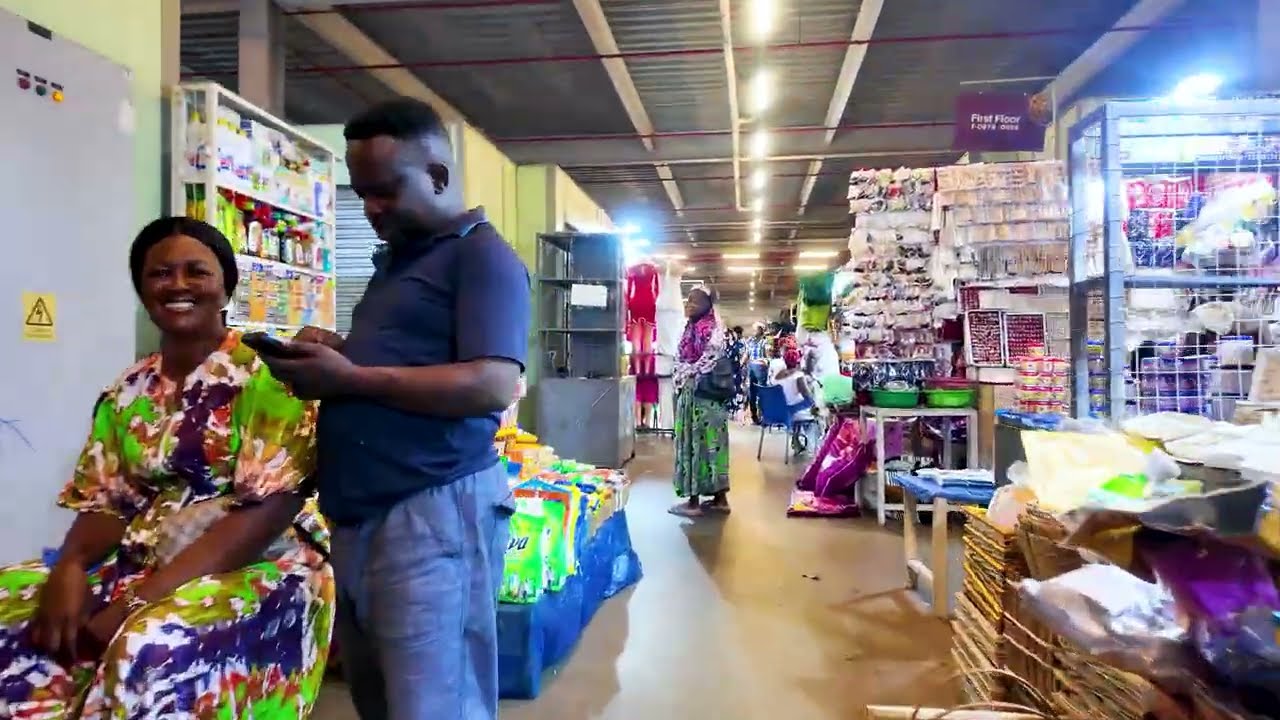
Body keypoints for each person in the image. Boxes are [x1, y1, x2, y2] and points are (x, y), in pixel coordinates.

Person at [259, 97, 530, 720]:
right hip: (365, 517)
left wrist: (351, 378)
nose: (371, 208)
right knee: (383, 700)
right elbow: (404, 365)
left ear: (437, 176)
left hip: (432, 510)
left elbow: (492, 383)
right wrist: (338, 354)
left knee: (434, 703)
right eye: (361, 194)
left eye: (384, 191)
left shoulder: (481, 257)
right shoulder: (399, 262)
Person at [0, 217, 333, 718]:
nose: (177, 284)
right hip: (145, 559)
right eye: (159, 274)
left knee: (147, 644)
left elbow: (266, 513)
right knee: (12, 604)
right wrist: (68, 568)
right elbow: (107, 501)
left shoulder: (269, 375)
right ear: (142, 289)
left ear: (225, 285)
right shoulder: (127, 391)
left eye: (195, 271)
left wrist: (135, 602)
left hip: (261, 562)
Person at [670, 286, 731, 518]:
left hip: (698, 398)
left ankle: (694, 502)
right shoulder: (700, 328)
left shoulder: (707, 330)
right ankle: (720, 498)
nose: (689, 304)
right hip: (713, 399)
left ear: (707, 305)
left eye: (695, 301)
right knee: (715, 445)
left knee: (693, 444)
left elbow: (703, 362)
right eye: (688, 299)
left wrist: (685, 372)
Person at [744, 322, 769, 423]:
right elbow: (747, 354)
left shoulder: (764, 342)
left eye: (756, 329)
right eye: (753, 329)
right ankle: (754, 415)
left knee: (761, 392)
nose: (754, 331)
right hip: (751, 368)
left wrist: (764, 362)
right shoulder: (750, 341)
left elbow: (767, 357)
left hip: (760, 368)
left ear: (761, 330)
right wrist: (741, 364)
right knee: (751, 392)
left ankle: (762, 415)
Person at [726, 325, 747, 419]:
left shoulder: (741, 344)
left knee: (737, 388)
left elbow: (744, 355)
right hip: (729, 370)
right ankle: (731, 408)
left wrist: (740, 365)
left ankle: (737, 409)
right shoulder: (729, 344)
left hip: (737, 370)